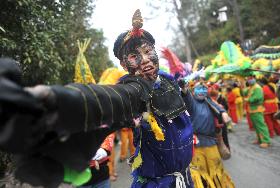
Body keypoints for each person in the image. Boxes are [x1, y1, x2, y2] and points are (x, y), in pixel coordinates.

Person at [0, 10, 195, 187]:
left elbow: (188, 117)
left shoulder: (170, 82)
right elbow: (109, 98)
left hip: (186, 180)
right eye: (135, 56)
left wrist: (186, 93)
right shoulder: (134, 89)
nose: (144, 59)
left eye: (147, 51)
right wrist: (55, 100)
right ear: (124, 64)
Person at [182, 82, 234, 188]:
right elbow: (186, 98)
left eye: (204, 89)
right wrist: (184, 90)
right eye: (198, 89)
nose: (201, 91)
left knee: (216, 168)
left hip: (211, 142)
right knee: (198, 171)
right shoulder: (191, 102)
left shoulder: (208, 101)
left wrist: (223, 113)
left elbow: (219, 108)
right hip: (195, 144)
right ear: (193, 91)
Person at [244, 77, 271, 148]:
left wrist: (248, 99)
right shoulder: (251, 87)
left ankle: (266, 141)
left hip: (257, 108)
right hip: (252, 109)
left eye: (250, 79)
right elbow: (244, 92)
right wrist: (241, 83)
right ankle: (260, 139)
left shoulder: (257, 88)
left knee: (261, 125)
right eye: (248, 79)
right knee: (256, 126)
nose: (249, 81)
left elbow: (257, 97)